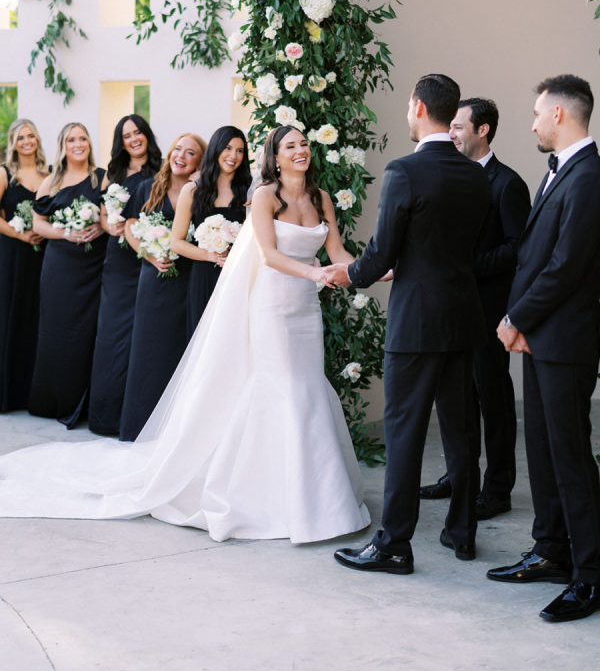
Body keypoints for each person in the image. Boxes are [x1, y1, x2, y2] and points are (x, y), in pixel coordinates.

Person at [0, 124, 369, 545]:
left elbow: (336, 251)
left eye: (304, 143)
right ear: (275, 156)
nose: (301, 149)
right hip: (272, 303)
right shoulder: (265, 196)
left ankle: (313, 494)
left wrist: (370, 270)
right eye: (291, 145)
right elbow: (267, 254)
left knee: (306, 385)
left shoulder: (321, 198)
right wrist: (315, 274)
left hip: (305, 308)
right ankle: (277, 497)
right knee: (282, 386)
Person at [328, 74, 491, 574]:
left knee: (404, 432)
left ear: (418, 107)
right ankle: (462, 532)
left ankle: (395, 543)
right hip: (463, 317)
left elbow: (382, 253)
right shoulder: (476, 175)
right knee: (461, 430)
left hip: (417, 322)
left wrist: (350, 274)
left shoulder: (405, 170)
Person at [489, 75, 600, 623]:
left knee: (570, 456)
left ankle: (591, 575)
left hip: (565, 339)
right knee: (542, 448)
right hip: (542, 338)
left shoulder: (589, 177)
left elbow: (565, 267)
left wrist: (516, 318)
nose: (532, 123)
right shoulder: (563, 170)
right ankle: (551, 549)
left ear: (559, 113)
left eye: (537, 113)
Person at [420, 99, 530, 519]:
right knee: (457, 398)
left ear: (482, 130)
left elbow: (519, 249)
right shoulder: (450, 177)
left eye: (458, 127)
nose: (450, 134)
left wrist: (466, 267)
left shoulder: (508, 183)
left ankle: (498, 490)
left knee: (493, 398)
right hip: (452, 308)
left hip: (488, 310)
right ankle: (459, 477)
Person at [118, 132, 206, 441]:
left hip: (187, 281)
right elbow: (130, 226)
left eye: (191, 153)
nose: (181, 156)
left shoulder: (201, 193)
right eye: (178, 149)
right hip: (153, 279)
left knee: (179, 350)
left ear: (200, 161)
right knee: (148, 349)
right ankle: (139, 426)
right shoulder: (148, 187)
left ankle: (174, 432)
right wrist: (149, 254)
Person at [28, 123, 107, 427]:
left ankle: (83, 404)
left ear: (89, 143)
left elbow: (110, 216)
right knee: (57, 329)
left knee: (86, 331)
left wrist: (99, 226)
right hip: (60, 265)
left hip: (93, 267)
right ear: (62, 146)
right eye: (71, 140)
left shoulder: (101, 177)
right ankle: (53, 400)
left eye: (82, 138)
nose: (78, 144)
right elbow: (38, 223)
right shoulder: (52, 181)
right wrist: (65, 233)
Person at [88, 115, 162, 436]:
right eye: (127, 135)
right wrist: (111, 227)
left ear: (147, 135)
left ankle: (139, 414)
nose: (134, 139)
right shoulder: (113, 173)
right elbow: (104, 215)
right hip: (119, 262)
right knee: (112, 333)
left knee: (144, 334)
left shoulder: (161, 169)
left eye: (138, 132)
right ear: (121, 141)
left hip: (148, 255)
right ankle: (106, 415)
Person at [171, 126, 251, 341]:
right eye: (228, 148)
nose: (233, 156)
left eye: (240, 151)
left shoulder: (250, 192)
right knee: (204, 341)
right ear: (216, 148)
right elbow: (176, 242)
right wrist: (211, 255)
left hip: (238, 275)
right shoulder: (192, 190)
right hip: (204, 276)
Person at [0, 120, 48, 411]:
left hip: (42, 255)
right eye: (21, 137)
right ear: (13, 143)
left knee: (36, 317)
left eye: (31, 135)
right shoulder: (4, 173)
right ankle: (7, 392)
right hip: (12, 253)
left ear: (37, 139)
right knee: (11, 314)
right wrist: (21, 234)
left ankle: (31, 391)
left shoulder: (49, 174)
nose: (27, 141)